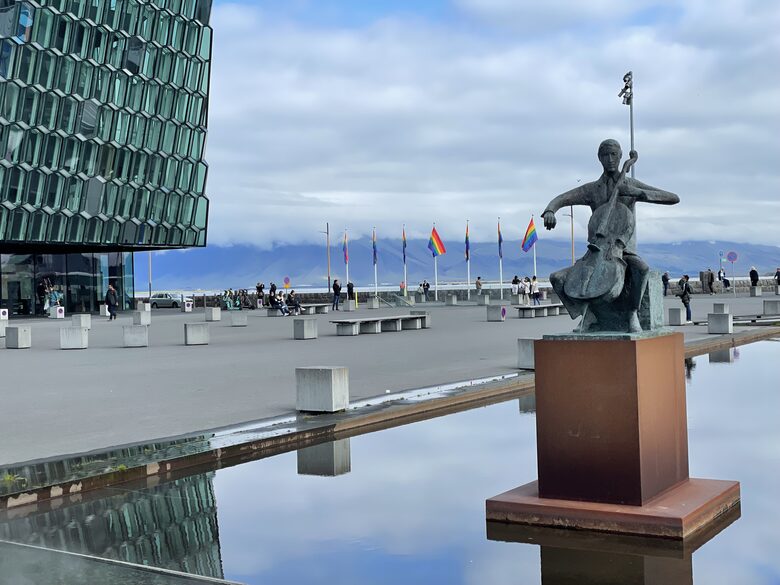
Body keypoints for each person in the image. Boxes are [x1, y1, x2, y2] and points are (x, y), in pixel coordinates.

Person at [542, 139, 679, 333]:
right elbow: (563, 198)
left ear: (620, 156)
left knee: (641, 269)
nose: (610, 159)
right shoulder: (592, 189)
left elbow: (673, 197)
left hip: (622, 248)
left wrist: (638, 193)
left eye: (613, 154)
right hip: (596, 250)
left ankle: (632, 313)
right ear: (599, 158)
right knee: (557, 278)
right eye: (605, 155)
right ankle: (587, 314)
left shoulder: (630, 184)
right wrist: (550, 210)